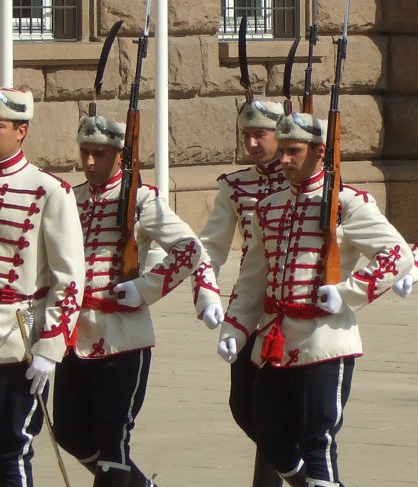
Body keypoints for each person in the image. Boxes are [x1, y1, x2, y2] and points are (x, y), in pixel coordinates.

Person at [217, 111, 414, 487]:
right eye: (283, 151)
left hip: (324, 342)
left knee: (317, 440)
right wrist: (235, 326)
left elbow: (396, 256)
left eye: (294, 151)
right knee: (270, 438)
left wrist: (347, 294)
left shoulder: (349, 202)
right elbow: (254, 277)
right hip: (275, 342)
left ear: (319, 151)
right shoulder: (268, 206)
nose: (284, 160)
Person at [53, 113, 222, 487]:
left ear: (120, 156)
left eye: (99, 153)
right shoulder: (69, 198)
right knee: (68, 432)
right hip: (74, 338)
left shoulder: (142, 201)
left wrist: (145, 288)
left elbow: (189, 248)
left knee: (113, 440)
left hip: (123, 338)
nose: (89, 163)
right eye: (84, 152)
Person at [192, 97, 288, 487]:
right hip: (249, 305)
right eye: (246, 135)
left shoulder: (307, 180)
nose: (251, 144)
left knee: (273, 410)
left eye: (259, 135)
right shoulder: (236, 185)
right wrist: (206, 292)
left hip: (292, 306)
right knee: (243, 406)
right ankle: (291, 463)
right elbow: (211, 244)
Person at [0, 87, 85, 487]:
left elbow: (68, 279)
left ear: (21, 130)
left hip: (17, 338)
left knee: (11, 448)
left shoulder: (49, 190)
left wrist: (50, 348)